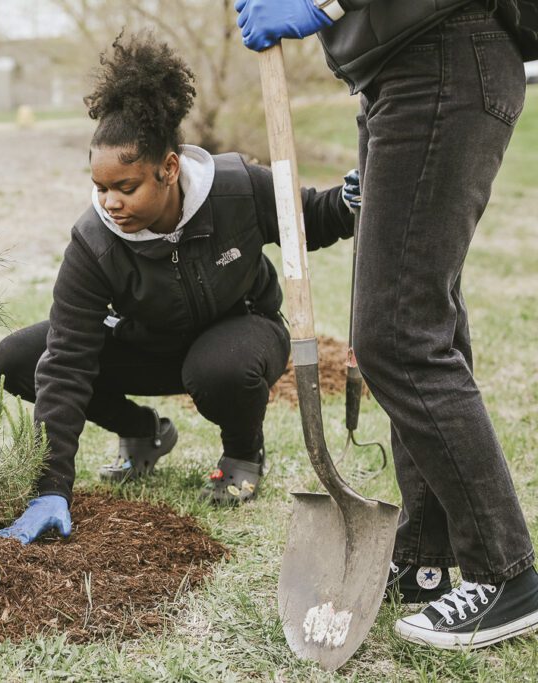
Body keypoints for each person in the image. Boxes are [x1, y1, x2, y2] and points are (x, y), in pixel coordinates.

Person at [236, 0, 538, 650]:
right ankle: (427, 556)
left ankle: (504, 572)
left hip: (442, 54)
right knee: (414, 323)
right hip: (407, 68)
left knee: (399, 336)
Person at [0, 33, 358, 545]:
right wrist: (51, 485)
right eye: (100, 188)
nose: (110, 203)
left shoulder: (235, 187)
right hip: (149, 344)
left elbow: (310, 220)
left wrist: (351, 201)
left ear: (168, 169)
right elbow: (68, 358)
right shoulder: (94, 242)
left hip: (242, 333)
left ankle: (242, 454)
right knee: (18, 358)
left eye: (125, 187)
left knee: (221, 368)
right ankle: (144, 431)